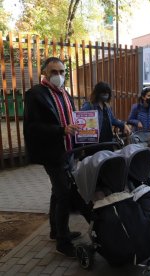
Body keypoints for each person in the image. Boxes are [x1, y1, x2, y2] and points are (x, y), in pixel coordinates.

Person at [23, 57, 82, 257]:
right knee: (64, 195)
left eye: (62, 71)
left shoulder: (66, 94)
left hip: (68, 151)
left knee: (58, 193)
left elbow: (73, 119)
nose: (59, 75)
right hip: (52, 154)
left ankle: (55, 231)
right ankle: (63, 242)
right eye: (54, 72)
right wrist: (61, 130)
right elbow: (32, 128)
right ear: (45, 74)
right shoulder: (35, 94)